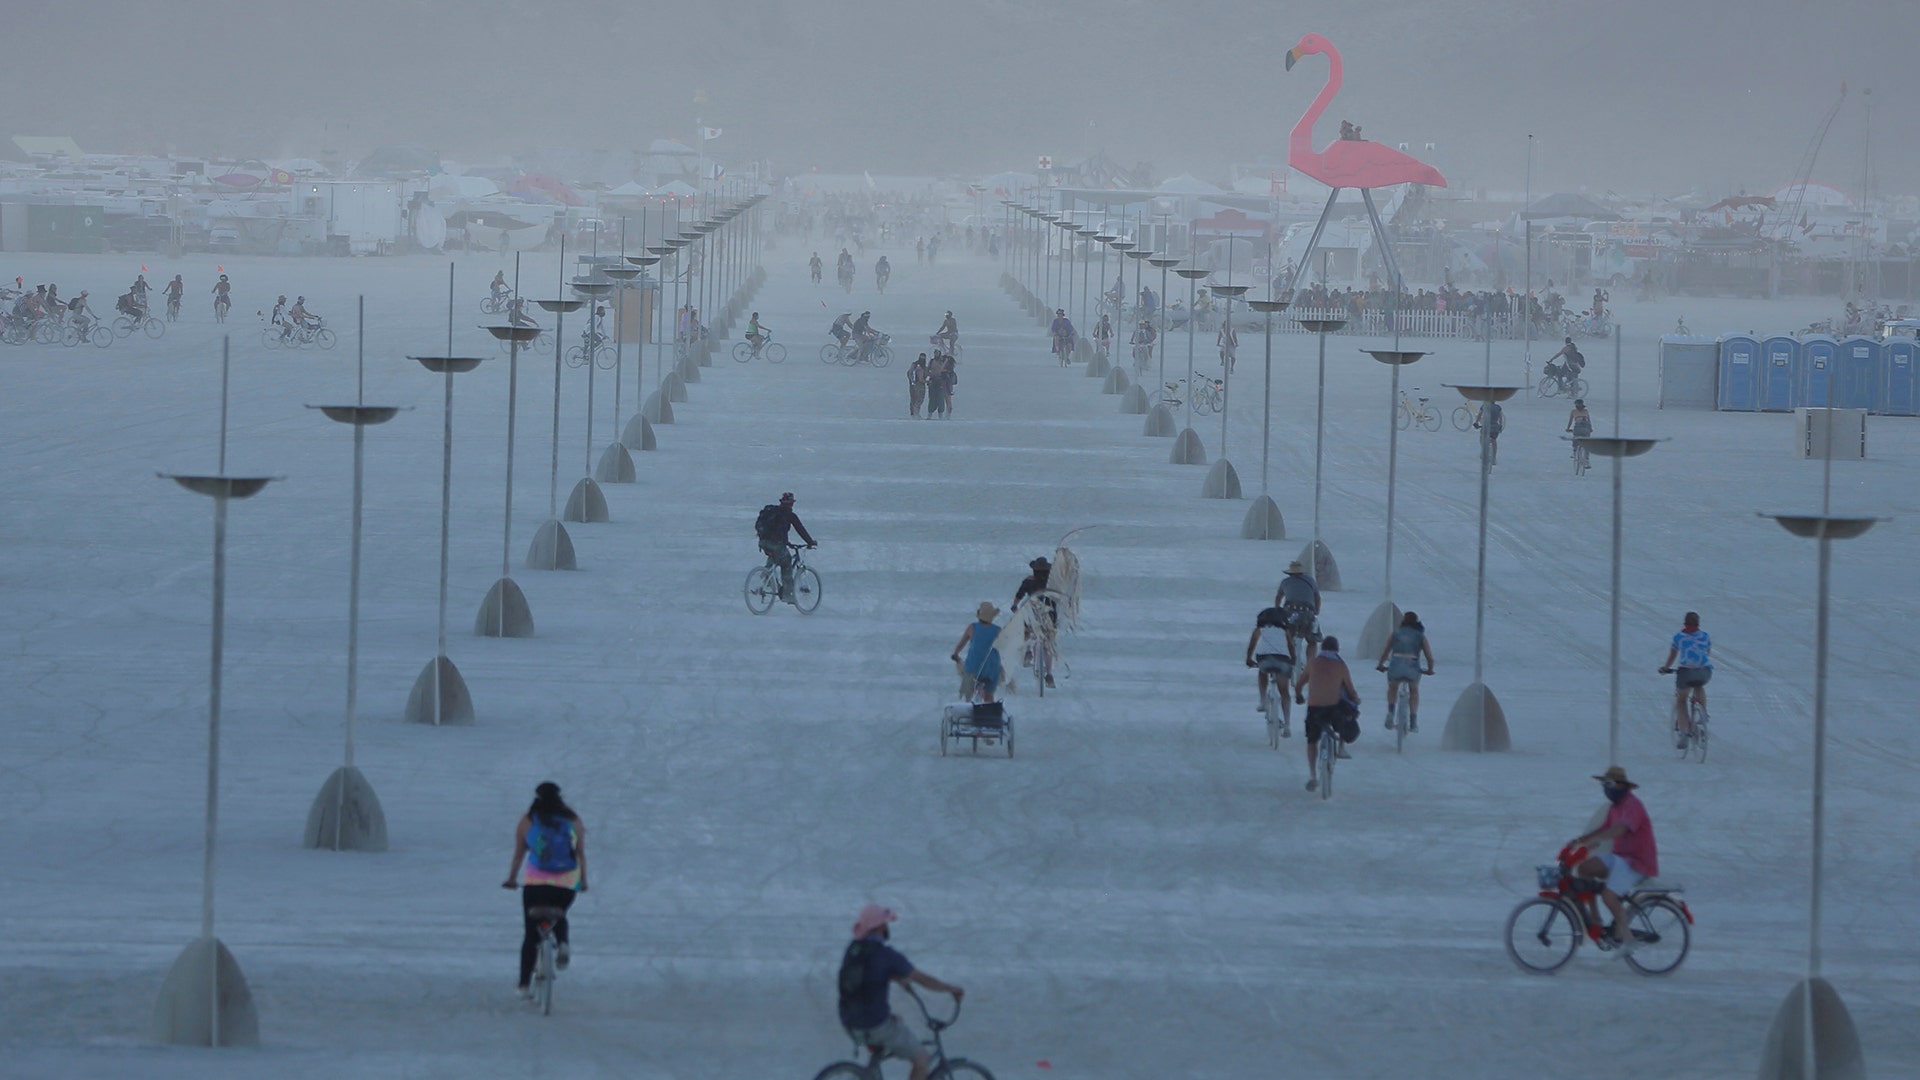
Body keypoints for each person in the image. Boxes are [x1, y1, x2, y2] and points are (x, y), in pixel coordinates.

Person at [836, 905, 964, 1080]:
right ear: (881, 926)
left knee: (893, 1023)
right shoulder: (887, 955)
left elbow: (867, 975)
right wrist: (950, 988)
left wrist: (894, 976)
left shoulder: (854, 949)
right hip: (874, 1024)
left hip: (849, 1021)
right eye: (886, 923)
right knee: (922, 1059)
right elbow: (921, 978)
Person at [500, 781, 588, 1001]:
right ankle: (563, 942)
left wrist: (511, 879)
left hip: (536, 883)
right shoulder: (572, 819)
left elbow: (519, 854)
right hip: (566, 882)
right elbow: (580, 853)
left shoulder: (528, 819)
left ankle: (523, 985)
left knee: (531, 933)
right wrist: (583, 881)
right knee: (559, 913)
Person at [1569, 766, 1658, 955]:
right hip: (1620, 857)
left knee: (1608, 895)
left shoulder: (1632, 805)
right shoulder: (1614, 807)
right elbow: (1603, 829)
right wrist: (1580, 841)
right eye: (1603, 784)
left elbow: (1619, 830)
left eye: (1608, 784)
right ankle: (1595, 919)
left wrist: (1596, 840)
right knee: (1585, 869)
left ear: (1621, 785)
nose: (1605, 788)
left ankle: (1628, 939)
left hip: (1637, 862)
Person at [1293, 634, 1359, 790]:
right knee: (1346, 714)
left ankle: (1312, 775)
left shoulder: (1313, 663)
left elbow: (1299, 684)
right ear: (1337, 650)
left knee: (1311, 741)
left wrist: (1299, 696)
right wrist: (1356, 699)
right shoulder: (1341, 666)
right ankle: (1341, 748)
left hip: (1314, 708)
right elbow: (1351, 691)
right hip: (1332, 708)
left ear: (1322, 648)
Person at [1375, 611, 1436, 733]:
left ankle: (1391, 712)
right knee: (1414, 691)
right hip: (1412, 665)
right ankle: (1413, 721)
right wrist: (1430, 670)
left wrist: (1380, 665)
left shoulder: (1395, 633)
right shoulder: (1420, 636)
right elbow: (1429, 657)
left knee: (1393, 688)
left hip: (1396, 664)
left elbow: (1385, 652)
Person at [1658, 612, 1712, 747]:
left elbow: (1672, 655)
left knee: (1681, 700)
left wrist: (1665, 668)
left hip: (1686, 672)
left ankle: (1683, 734)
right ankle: (1703, 713)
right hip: (1705, 671)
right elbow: (1707, 652)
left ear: (1685, 623)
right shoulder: (1705, 636)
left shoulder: (1679, 637)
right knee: (1699, 685)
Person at [753, 492, 816, 602]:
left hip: (763, 542)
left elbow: (775, 531)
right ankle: (788, 594)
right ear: (792, 503)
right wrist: (810, 542)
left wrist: (787, 543)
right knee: (786, 562)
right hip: (776, 544)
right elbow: (800, 529)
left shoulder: (773, 511)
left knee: (774, 558)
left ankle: (765, 579)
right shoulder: (790, 515)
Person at [1244, 603, 1296, 736]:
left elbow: (1252, 644)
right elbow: (1291, 646)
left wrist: (1249, 659)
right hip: (1282, 659)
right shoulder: (1285, 631)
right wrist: (1293, 659)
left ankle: (1262, 701)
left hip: (1265, 659)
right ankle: (1287, 726)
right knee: (1284, 693)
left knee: (1262, 672)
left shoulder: (1260, 629)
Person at [1012, 556, 1058, 689]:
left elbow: (1019, 595)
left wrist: (1014, 606)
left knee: (1025, 629)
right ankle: (1049, 674)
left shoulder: (1028, 581)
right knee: (1047, 644)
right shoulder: (1053, 583)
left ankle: (1027, 652)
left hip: (1032, 614)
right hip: (1050, 616)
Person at [951, 602, 1004, 703]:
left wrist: (955, 654)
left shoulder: (972, 627)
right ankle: (990, 708)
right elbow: (1004, 646)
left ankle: (968, 704)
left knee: (968, 694)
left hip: (973, 668)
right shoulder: (998, 630)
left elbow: (961, 644)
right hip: (991, 669)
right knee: (989, 696)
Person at [1274, 560, 1322, 657]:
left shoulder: (1285, 582)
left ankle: (1290, 659)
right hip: (1307, 613)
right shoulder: (1310, 580)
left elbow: (1278, 597)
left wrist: (1277, 610)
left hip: (1290, 612)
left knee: (1288, 639)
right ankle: (1310, 662)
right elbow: (1317, 597)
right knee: (1312, 641)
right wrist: (1316, 611)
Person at [1475, 398, 1504, 466]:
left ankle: (1483, 451)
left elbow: (1479, 415)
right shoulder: (1498, 407)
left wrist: (1476, 422)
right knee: (1494, 440)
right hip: (1495, 427)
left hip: (1486, 427)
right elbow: (1500, 418)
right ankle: (1494, 457)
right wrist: (1500, 425)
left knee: (1482, 437)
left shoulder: (1484, 406)